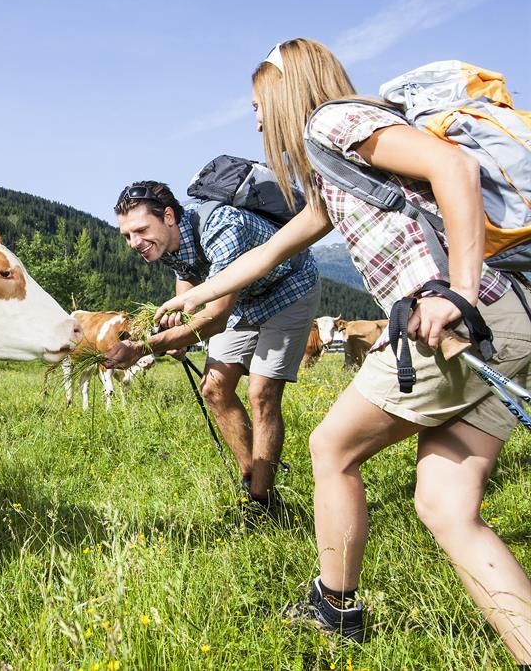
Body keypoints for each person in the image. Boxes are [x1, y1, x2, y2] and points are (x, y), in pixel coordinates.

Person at [156, 38, 531, 662]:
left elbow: (455, 168)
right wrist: (193, 298)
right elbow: (270, 251)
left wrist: (458, 293)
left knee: (331, 448)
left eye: (257, 104)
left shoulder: (332, 123)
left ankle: (333, 608)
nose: (256, 120)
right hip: (510, 321)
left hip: (457, 320)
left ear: (285, 91)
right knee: (445, 505)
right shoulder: (331, 173)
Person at [102, 180, 320, 511]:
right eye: (127, 236)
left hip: (289, 289)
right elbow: (186, 276)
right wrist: (179, 332)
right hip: (245, 299)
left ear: (168, 217)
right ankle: (253, 477)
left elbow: (216, 319)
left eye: (140, 230)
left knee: (262, 392)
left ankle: (261, 504)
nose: (134, 243)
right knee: (213, 388)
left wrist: (145, 347)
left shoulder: (221, 226)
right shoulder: (167, 242)